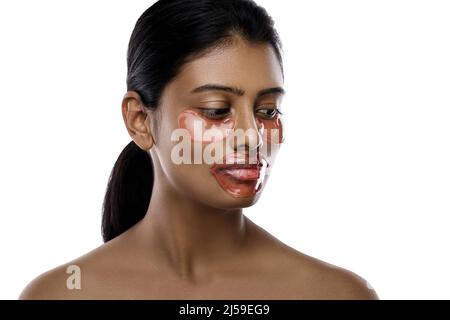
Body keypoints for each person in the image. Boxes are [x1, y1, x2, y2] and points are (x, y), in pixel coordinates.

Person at [19, 0, 378, 299]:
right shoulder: (61, 294)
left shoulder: (336, 294)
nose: (252, 137)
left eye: (267, 111)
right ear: (140, 120)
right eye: (217, 111)